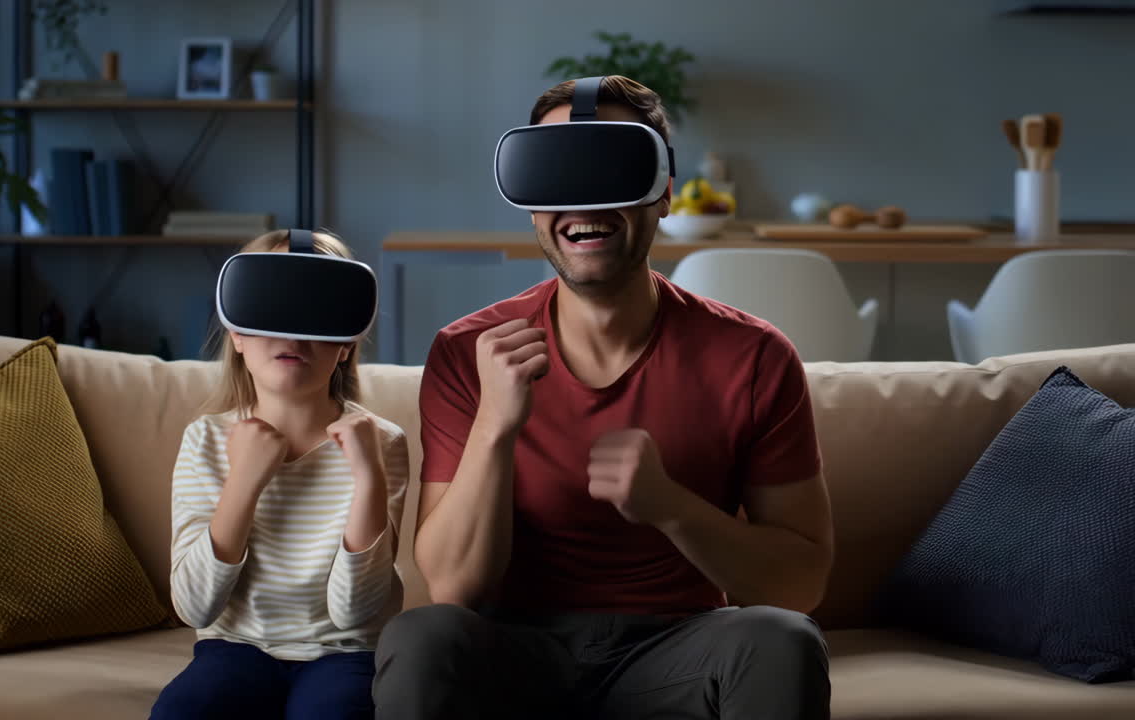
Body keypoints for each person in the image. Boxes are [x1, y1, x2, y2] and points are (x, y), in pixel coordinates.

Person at [373, 77, 836, 719]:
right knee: (420, 637)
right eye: (559, 177)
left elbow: (800, 585)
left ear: (665, 194)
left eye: (612, 173)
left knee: (781, 641)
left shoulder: (754, 356)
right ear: (533, 206)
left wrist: (671, 507)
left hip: (679, 650)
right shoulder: (467, 350)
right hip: (515, 649)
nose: (583, 205)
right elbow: (453, 586)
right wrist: (494, 427)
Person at [151, 230, 409, 720]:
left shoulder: (382, 443)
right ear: (238, 335)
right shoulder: (204, 440)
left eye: (316, 314)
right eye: (270, 310)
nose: (293, 335)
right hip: (234, 650)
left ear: (346, 345)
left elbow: (356, 613)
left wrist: (368, 477)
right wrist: (244, 481)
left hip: (344, 654)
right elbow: (194, 608)